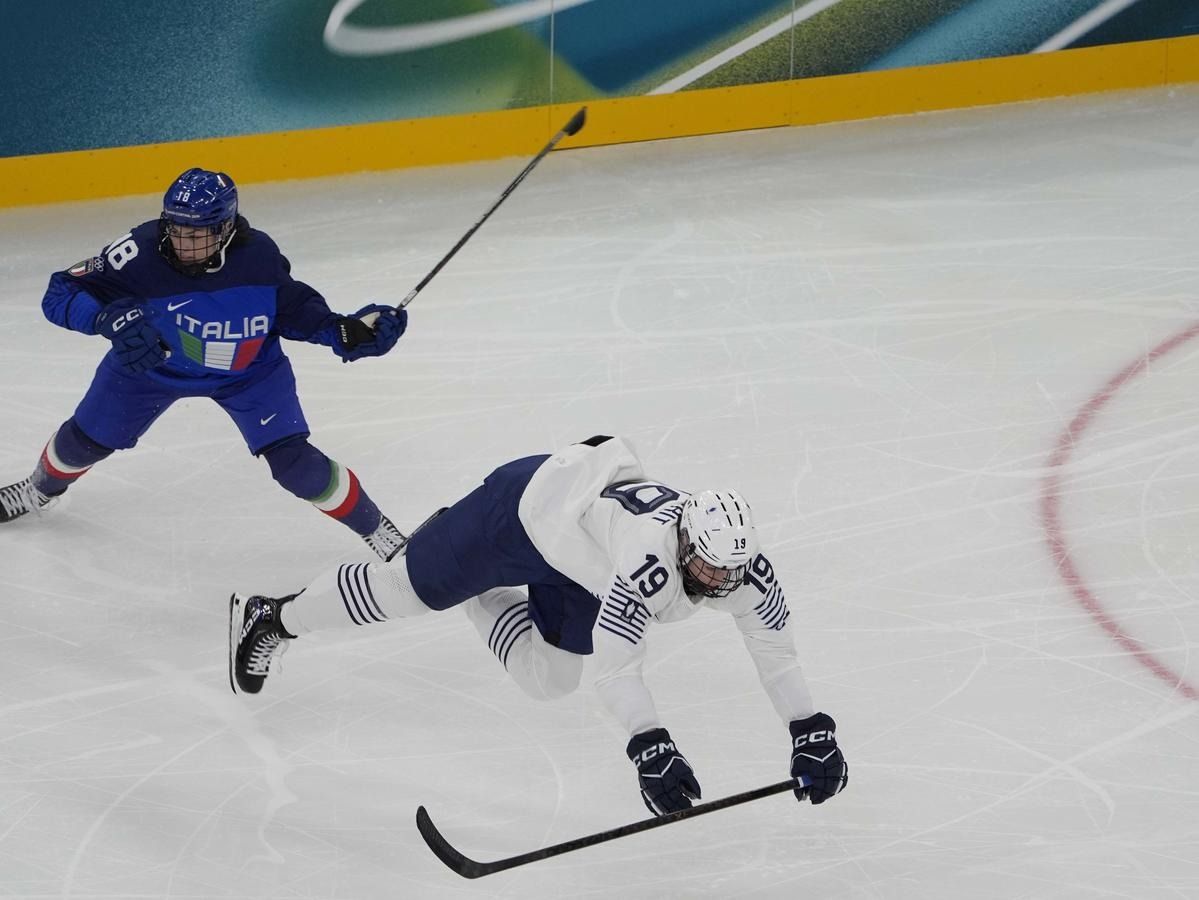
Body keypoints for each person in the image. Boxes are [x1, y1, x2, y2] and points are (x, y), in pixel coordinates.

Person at [229, 435, 848, 814]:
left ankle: (475, 586)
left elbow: (777, 653)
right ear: (685, 541)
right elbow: (618, 670)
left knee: (549, 679)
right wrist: (650, 745)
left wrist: (809, 728)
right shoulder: (646, 563)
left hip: (580, 559)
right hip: (521, 514)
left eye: (728, 572)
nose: (718, 582)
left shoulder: (742, 567)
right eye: (708, 567)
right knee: (405, 592)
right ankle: (274, 616)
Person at [0, 167, 409, 559]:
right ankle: (37, 491)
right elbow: (60, 291)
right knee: (83, 442)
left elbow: (294, 311)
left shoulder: (259, 258)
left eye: (195, 233)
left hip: (249, 374)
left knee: (295, 465)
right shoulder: (138, 253)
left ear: (225, 229)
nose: (182, 242)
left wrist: (345, 332)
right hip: (152, 370)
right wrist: (104, 318)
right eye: (175, 229)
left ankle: (378, 531)